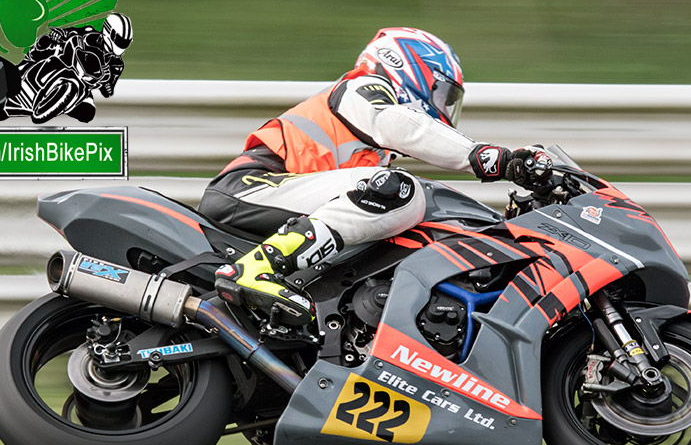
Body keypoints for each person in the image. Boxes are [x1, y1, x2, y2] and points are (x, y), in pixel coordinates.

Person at [202, 27, 550, 326]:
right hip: (251, 188)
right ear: (409, 67)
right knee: (400, 191)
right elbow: (398, 125)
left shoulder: (375, 146)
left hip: (280, 198)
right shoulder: (362, 88)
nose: (444, 108)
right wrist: (489, 158)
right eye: (443, 94)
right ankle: (258, 269)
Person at [6, 13, 132, 122]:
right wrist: (59, 36)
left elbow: (108, 92)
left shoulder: (117, 65)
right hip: (67, 64)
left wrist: (107, 85)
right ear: (108, 32)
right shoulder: (88, 33)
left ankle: (59, 105)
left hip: (84, 85)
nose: (122, 45)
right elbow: (68, 32)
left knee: (88, 113)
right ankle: (23, 71)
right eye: (120, 40)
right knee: (46, 43)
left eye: (125, 42)